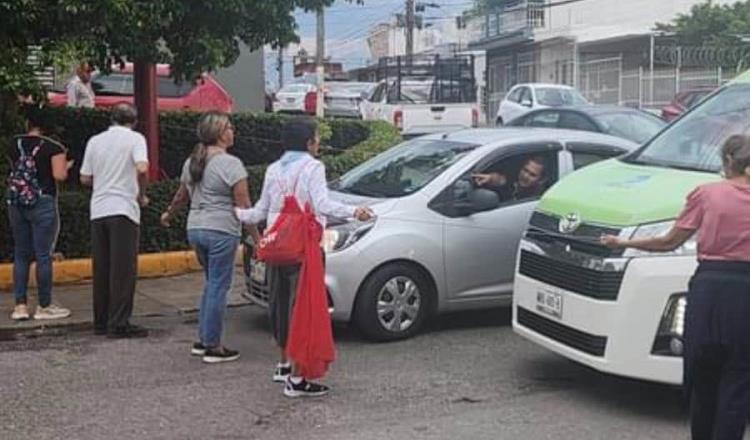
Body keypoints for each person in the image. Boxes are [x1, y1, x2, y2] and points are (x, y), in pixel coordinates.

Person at [602, 134, 750, 440]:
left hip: (709, 290)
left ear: (727, 162)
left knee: (703, 377)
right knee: (739, 380)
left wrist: (624, 242)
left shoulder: (707, 194)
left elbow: (669, 242)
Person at [235, 117, 372, 398]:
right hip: (304, 249)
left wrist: (236, 213)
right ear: (309, 142)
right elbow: (322, 204)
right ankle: (298, 380)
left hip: (276, 247)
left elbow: (260, 211)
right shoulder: (313, 167)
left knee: (280, 306)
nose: (319, 143)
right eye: (317, 138)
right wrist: (353, 211)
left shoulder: (274, 169)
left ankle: (284, 364)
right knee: (305, 311)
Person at [160, 112, 253, 364]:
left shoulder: (192, 161)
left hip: (195, 228)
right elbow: (243, 204)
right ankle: (213, 345)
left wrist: (168, 214)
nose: (233, 131)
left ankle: (202, 340)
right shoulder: (231, 164)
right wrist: (257, 235)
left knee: (211, 283)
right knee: (218, 287)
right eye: (229, 127)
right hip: (221, 229)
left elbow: (181, 196)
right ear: (220, 134)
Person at [80, 103, 149, 339]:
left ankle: (100, 321)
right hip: (123, 209)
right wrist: (141, 194)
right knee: (123, 269)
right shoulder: (136, 139)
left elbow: (85, 178)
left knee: (102, 268)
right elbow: (141, 168)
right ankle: (119, 323)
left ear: (111, 119)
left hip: (98, 209)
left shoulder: (94, 141)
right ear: (135, 121)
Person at [6, 108, 73, 321]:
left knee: (21, 253)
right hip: (42, 201)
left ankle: (20, 306)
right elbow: (59, 175)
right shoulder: (54, 147)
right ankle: (44, 305)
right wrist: (67, 166)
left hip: (16, 202)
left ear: (28, 124)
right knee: (43, 255)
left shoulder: (14, 144)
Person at [472, 155, 548, 201]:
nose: (525, 176)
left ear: (541, 180)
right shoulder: (514, 182)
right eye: (525, 170)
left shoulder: (539, 197)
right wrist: (490, 178)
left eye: (532, 175)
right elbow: (500, 180)